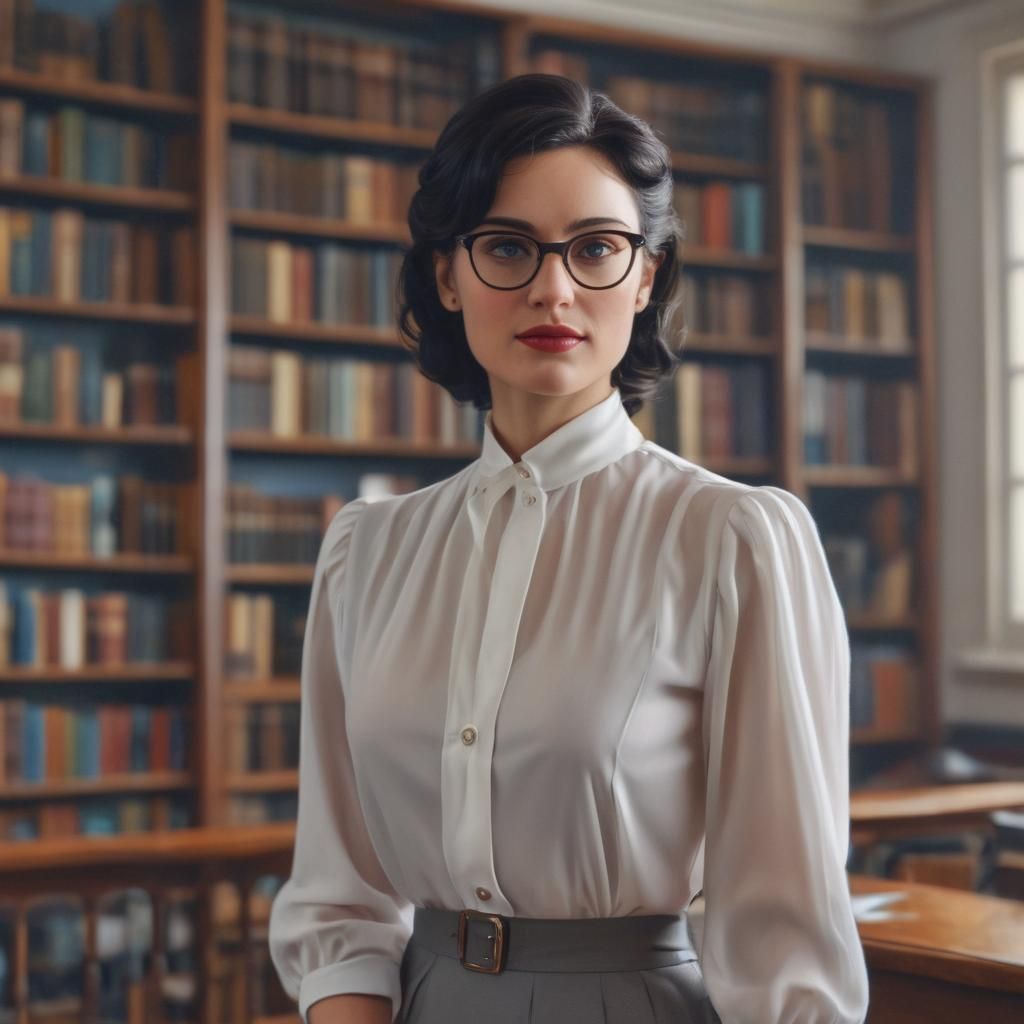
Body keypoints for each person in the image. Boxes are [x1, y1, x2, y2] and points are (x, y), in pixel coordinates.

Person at [267, 73, 871, 1024]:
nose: (554, 287)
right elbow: (340, 889)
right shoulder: (367, 551)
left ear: (646, 276)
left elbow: (786, 932)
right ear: (447, 275)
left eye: (597, 248)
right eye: (508, 246)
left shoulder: (733, 539)